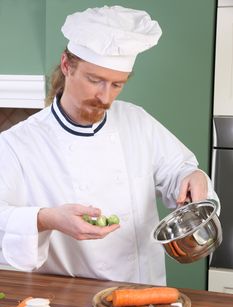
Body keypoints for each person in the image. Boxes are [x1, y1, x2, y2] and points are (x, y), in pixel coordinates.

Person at [0, 6, 218, 285]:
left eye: (117, 84)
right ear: (66, 65)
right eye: (95, 80)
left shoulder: (137, 121)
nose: (105, 97)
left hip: (142, 290)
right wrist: (47, 218)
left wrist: (193, 177)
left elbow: (180, 170)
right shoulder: (18, 143)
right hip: (69, 296)